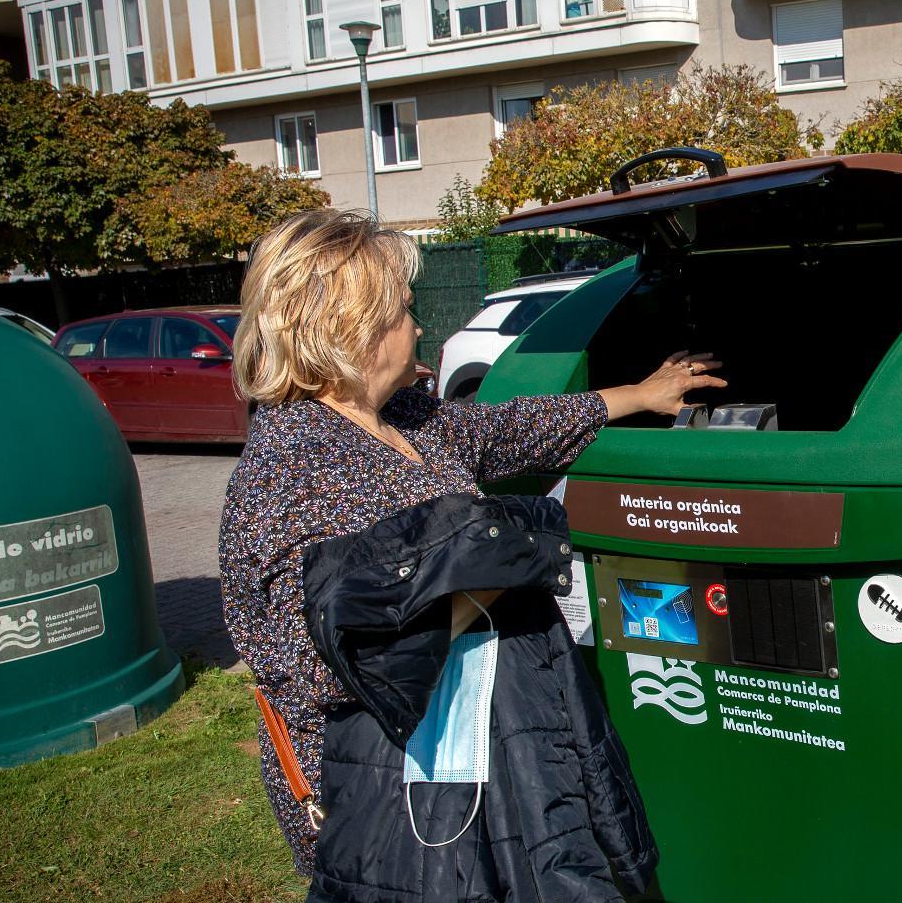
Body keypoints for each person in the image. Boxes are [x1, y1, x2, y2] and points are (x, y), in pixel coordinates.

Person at [218, 208, 723, 876]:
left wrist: (637, 394)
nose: (419, 325)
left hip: (463, 756)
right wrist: (497, 573)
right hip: (385, 800)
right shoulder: (289, 475)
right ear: (351, 328)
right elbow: (330, 660)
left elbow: (510, 429)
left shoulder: (405, 419)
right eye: (403, 310)